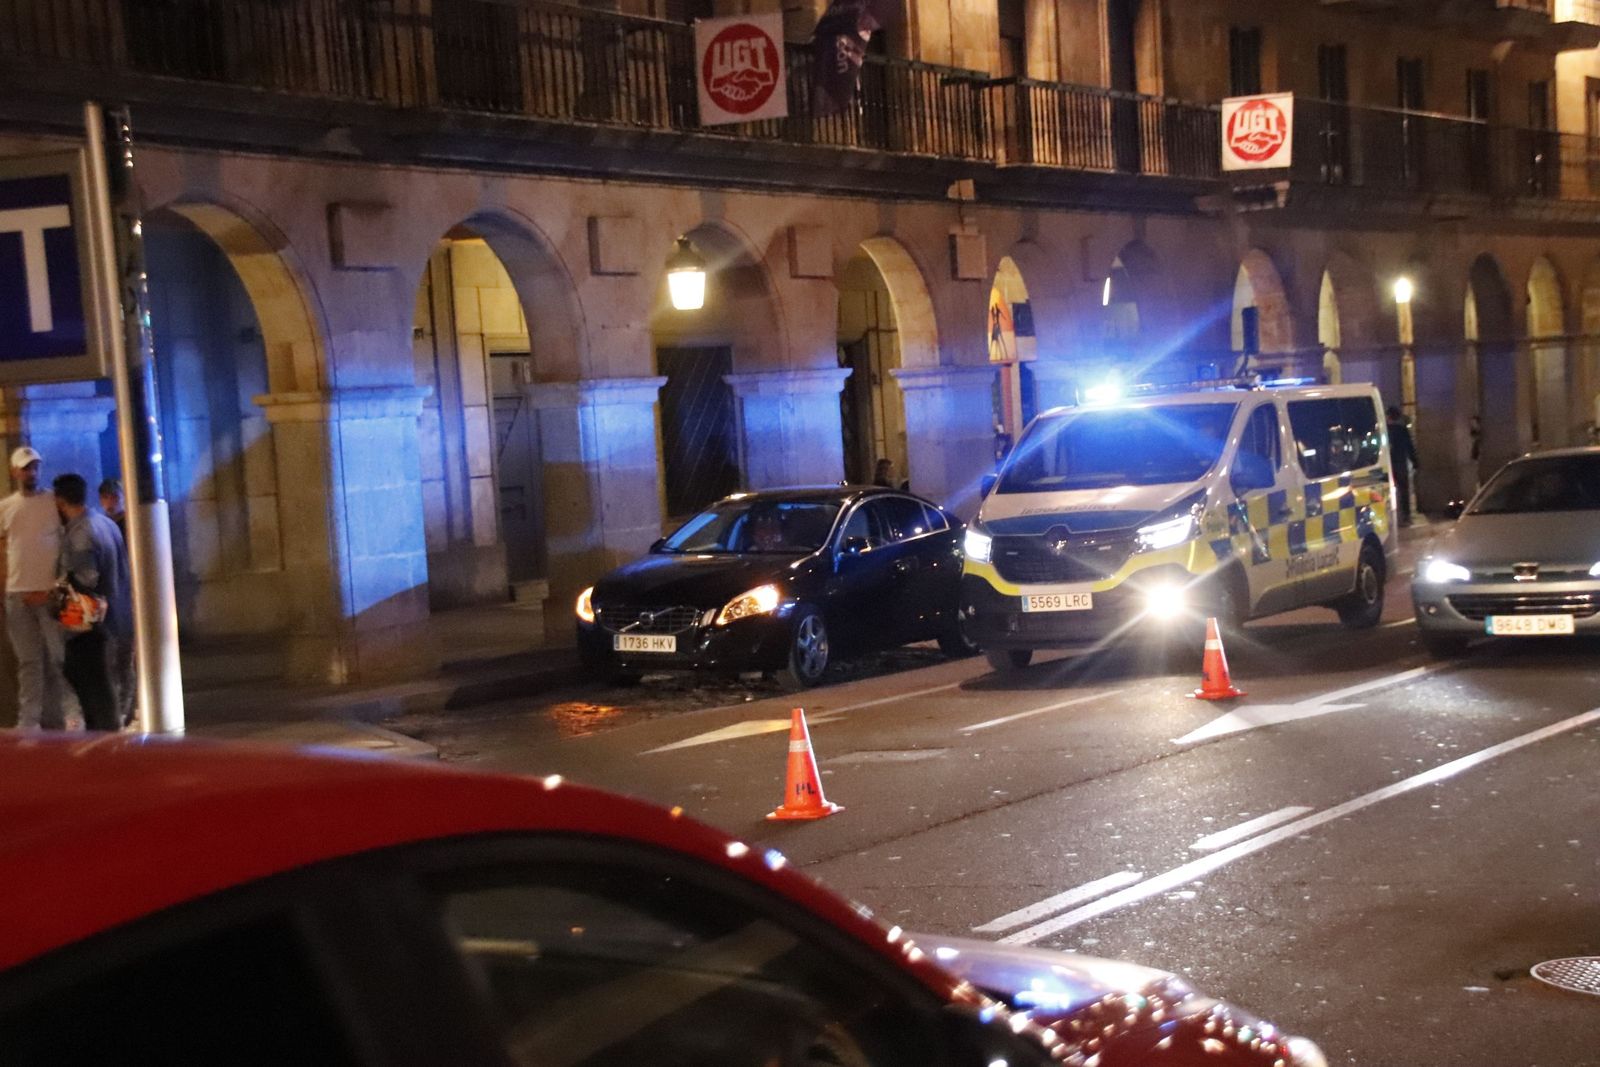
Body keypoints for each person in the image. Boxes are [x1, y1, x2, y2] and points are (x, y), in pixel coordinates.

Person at [0, 447, 78, 731]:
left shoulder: (51, 503)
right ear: (15, 472)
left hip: (49, 595)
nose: (31, 473)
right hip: (17, 595)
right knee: (28, 663)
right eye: (26, 468)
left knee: (59, 658)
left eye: (34, 467)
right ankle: (29, 722)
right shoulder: (6, 507)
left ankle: (72, 715)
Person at [53, 474, 129, 733]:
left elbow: (87, 579)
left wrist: (63, 588)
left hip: (89, 625)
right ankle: (106, 736)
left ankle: (104, 743)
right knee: (100, 683)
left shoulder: (80, 533)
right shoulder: (106, 524)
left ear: (60, 501)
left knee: (93, 685)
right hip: (113, 618)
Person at [97, 477, 134, 726]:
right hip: (109, 598)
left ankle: (126, 708)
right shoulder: (102, 526)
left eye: (115, 496)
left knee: (124, 656)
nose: (111, 501)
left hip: (124, 597)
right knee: (113, 657)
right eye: (107, 497)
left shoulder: (128, 524)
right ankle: (121, 708)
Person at [1386, 406, 1419, 527]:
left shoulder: (1385, 430)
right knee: (1404, 490)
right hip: (1400, 463)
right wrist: (1415, 462)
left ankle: (1390, 517)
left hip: (1388, 464)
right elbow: (1409, 447)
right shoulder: (1402, 430)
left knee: (1387, 491)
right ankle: (1406, 516)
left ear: (1388, 416)